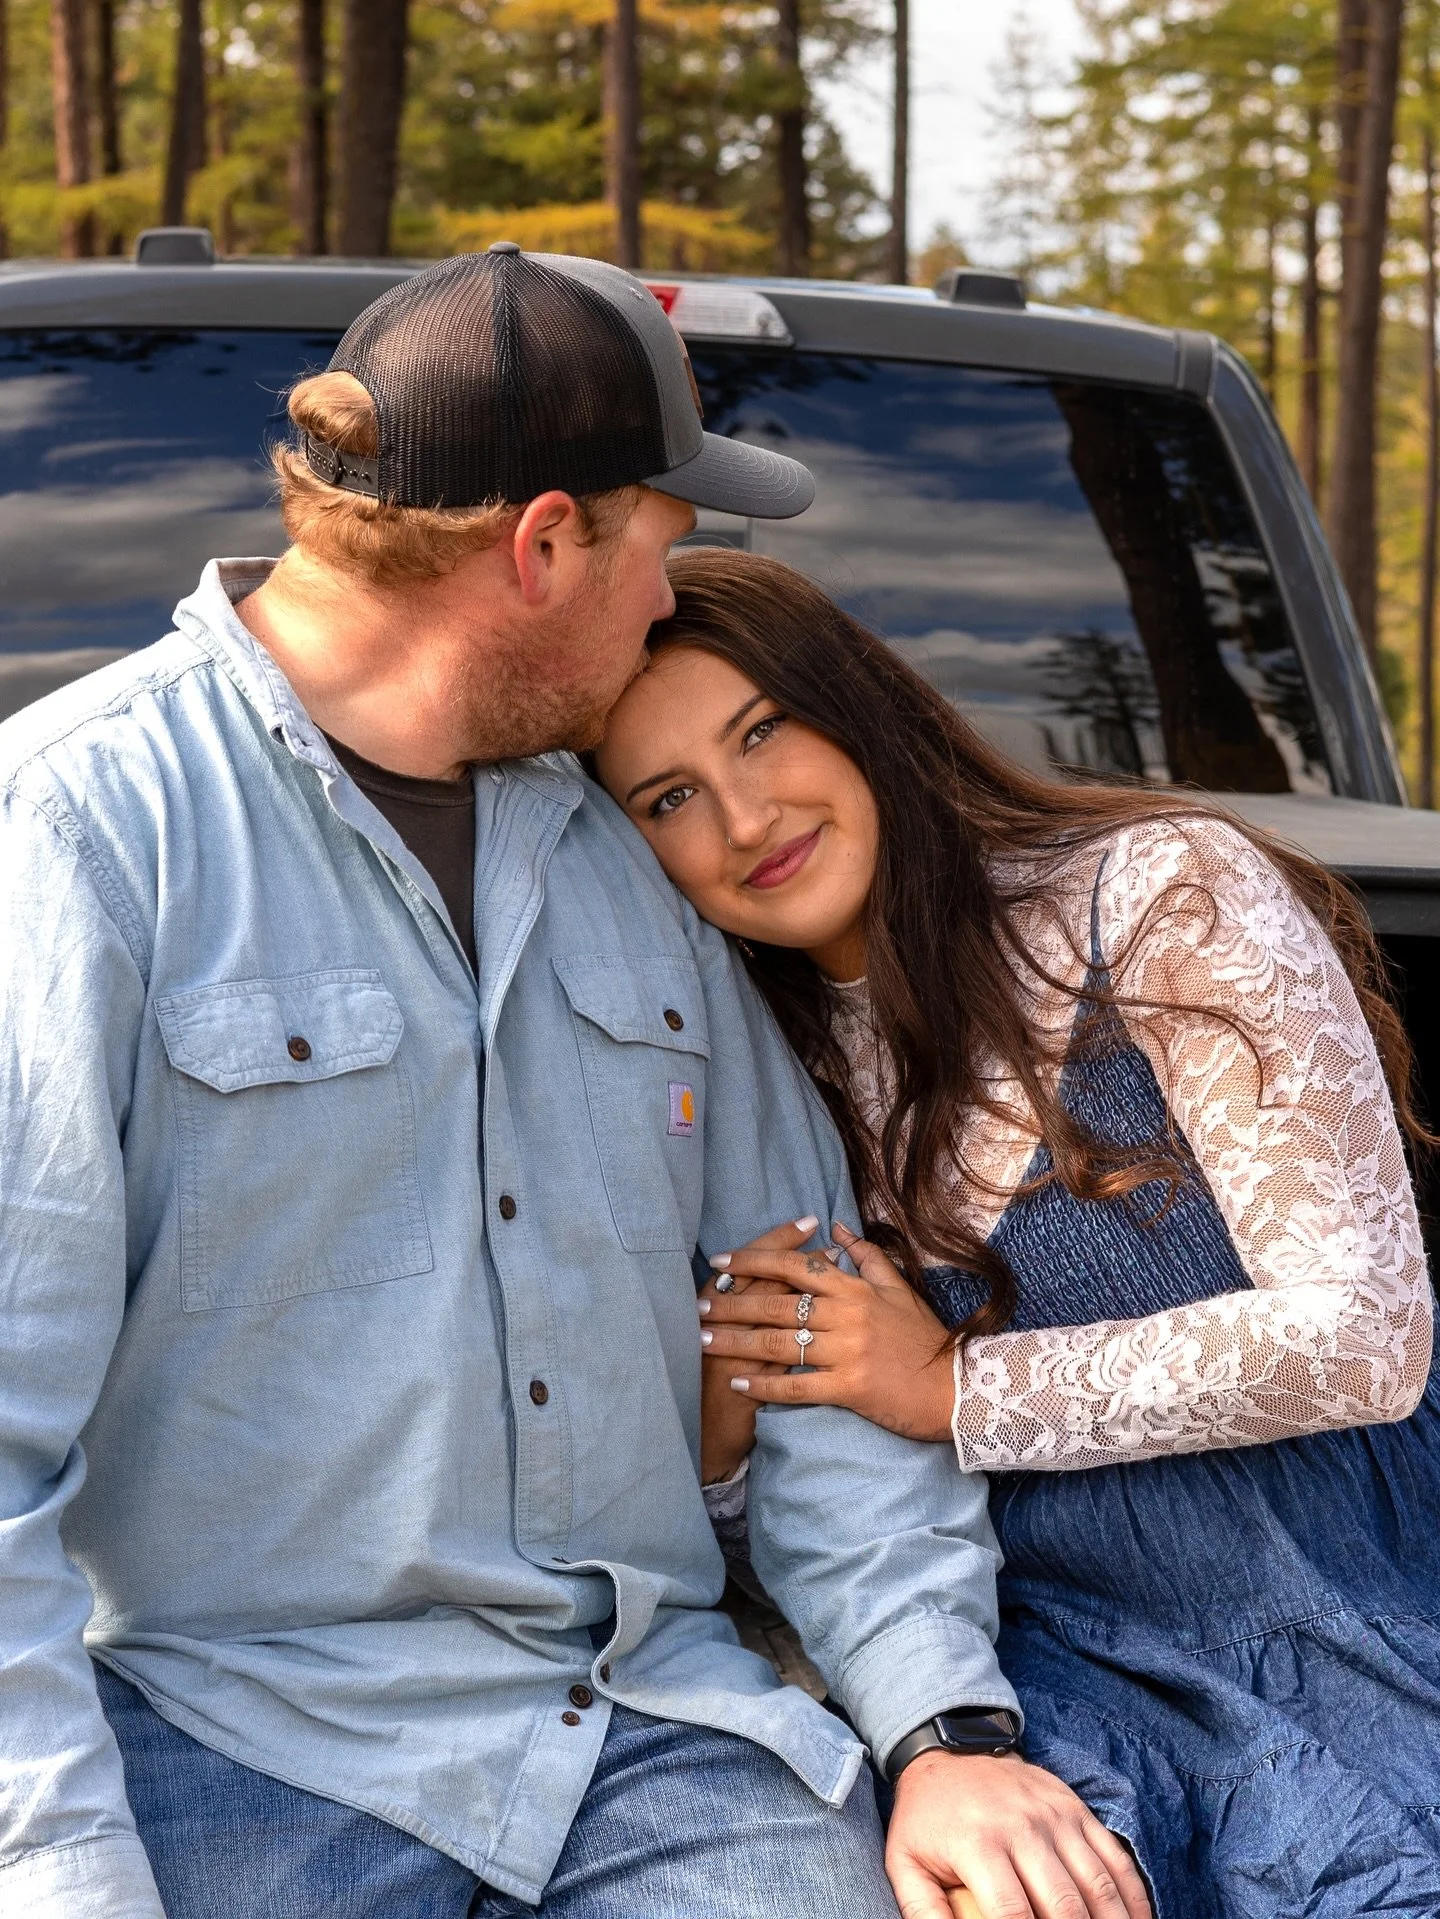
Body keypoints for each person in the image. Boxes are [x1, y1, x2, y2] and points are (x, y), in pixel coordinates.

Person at [0, 248, 1151, 1919]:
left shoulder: (629, 844)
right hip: (226, 1740)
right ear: (543, 546)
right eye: (662, 551)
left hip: (651, 1733)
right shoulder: (79, 840)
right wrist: (59, 1873)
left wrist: (939, 1726)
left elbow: (807, 1320)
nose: (669, 612)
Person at [592, 544, 1440, 1918]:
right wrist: (727, 1444)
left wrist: (950, 1387)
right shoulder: (751, 1083)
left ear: (857, 705)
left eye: (763, 731)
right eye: (670, 797)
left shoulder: (1163, 892)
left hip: (1354, 1594)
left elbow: (1366, 1338)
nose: (746, 818)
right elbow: (828, 1529)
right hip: (1049, 1667)